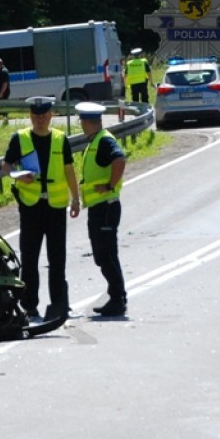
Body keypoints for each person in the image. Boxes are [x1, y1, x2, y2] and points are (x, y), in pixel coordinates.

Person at [0, 96, 81, 321]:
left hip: (55, 206)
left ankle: (58, 304)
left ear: (51, 116)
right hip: (31, 207)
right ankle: (29, 304)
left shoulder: (60, 139)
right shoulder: (20, 138)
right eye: (36, 116)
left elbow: (68, 170)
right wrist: (17, 175)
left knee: (57, 259)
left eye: (44, 116)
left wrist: (76, 199)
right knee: (30, 257)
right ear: (30, 116)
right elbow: (6, 165)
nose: (40, 120)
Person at [76, 102, 127, 316]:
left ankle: (118, 299)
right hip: (98, 207)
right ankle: (115, 295)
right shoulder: (95, 141)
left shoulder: (104, 141)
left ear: (88, 122)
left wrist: (109, 185)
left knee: (106, 254)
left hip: (106, 206)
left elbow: (120, 159)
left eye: (82, 121)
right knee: (101, 255)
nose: (81, 125)